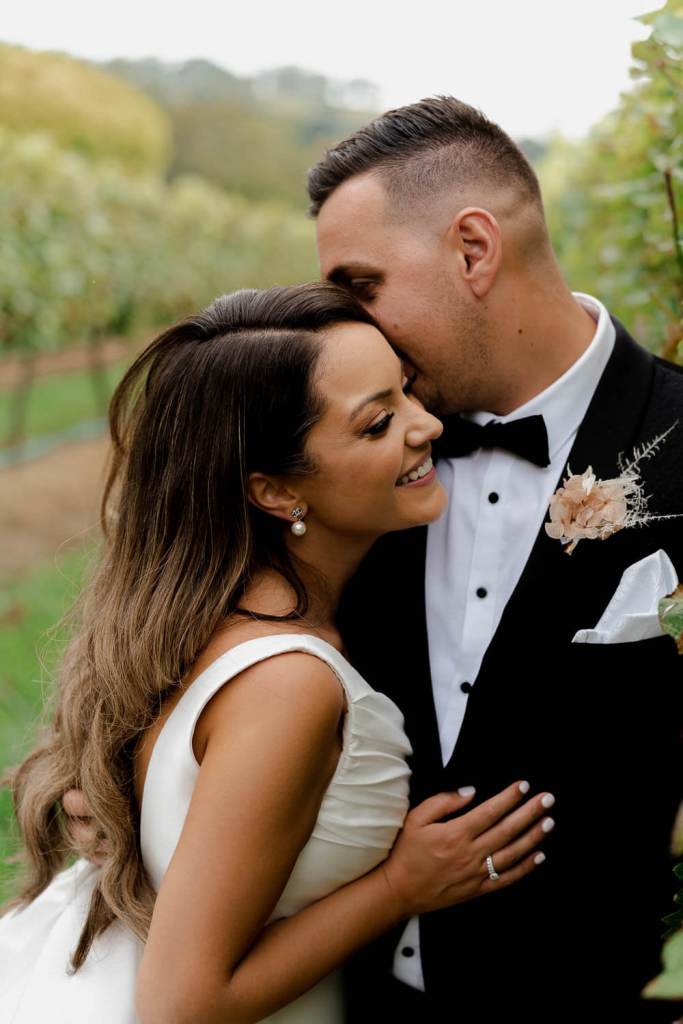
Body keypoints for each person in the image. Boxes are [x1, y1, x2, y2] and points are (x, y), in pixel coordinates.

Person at [0, 283, 555, 1024]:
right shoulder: (288, 687)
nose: (425, 426)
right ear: (273, 489)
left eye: (407, 392)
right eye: (377, 422)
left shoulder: (193, 620)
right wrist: (400, 886)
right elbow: (182, 1005)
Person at [305, 96, 683, 1022]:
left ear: (473, 249)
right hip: (347, 993)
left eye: (361, 287)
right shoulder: (354, 453)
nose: (347, 326)